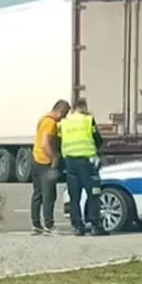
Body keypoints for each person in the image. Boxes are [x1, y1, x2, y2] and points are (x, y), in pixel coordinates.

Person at [58, 98, 107, 236]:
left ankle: (77, 226)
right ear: (84, 108)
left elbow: (59, 141)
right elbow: (98, 140)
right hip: (87, 162)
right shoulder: (88, 120)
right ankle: (95, 224)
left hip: (70, 163)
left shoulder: (64, 123)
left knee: (74, 197)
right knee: (94, 193)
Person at [30, 99, 71, 235]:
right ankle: (49, 225)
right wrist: (54, 159)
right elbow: (45, 143)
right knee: (49, 195)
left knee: (37, 194)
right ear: (59, 111)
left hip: (36, 159)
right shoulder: (50, 123)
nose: (63, 118)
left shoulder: (43, 119)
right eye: (64, 114)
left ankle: (36, 225)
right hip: (45, 162)